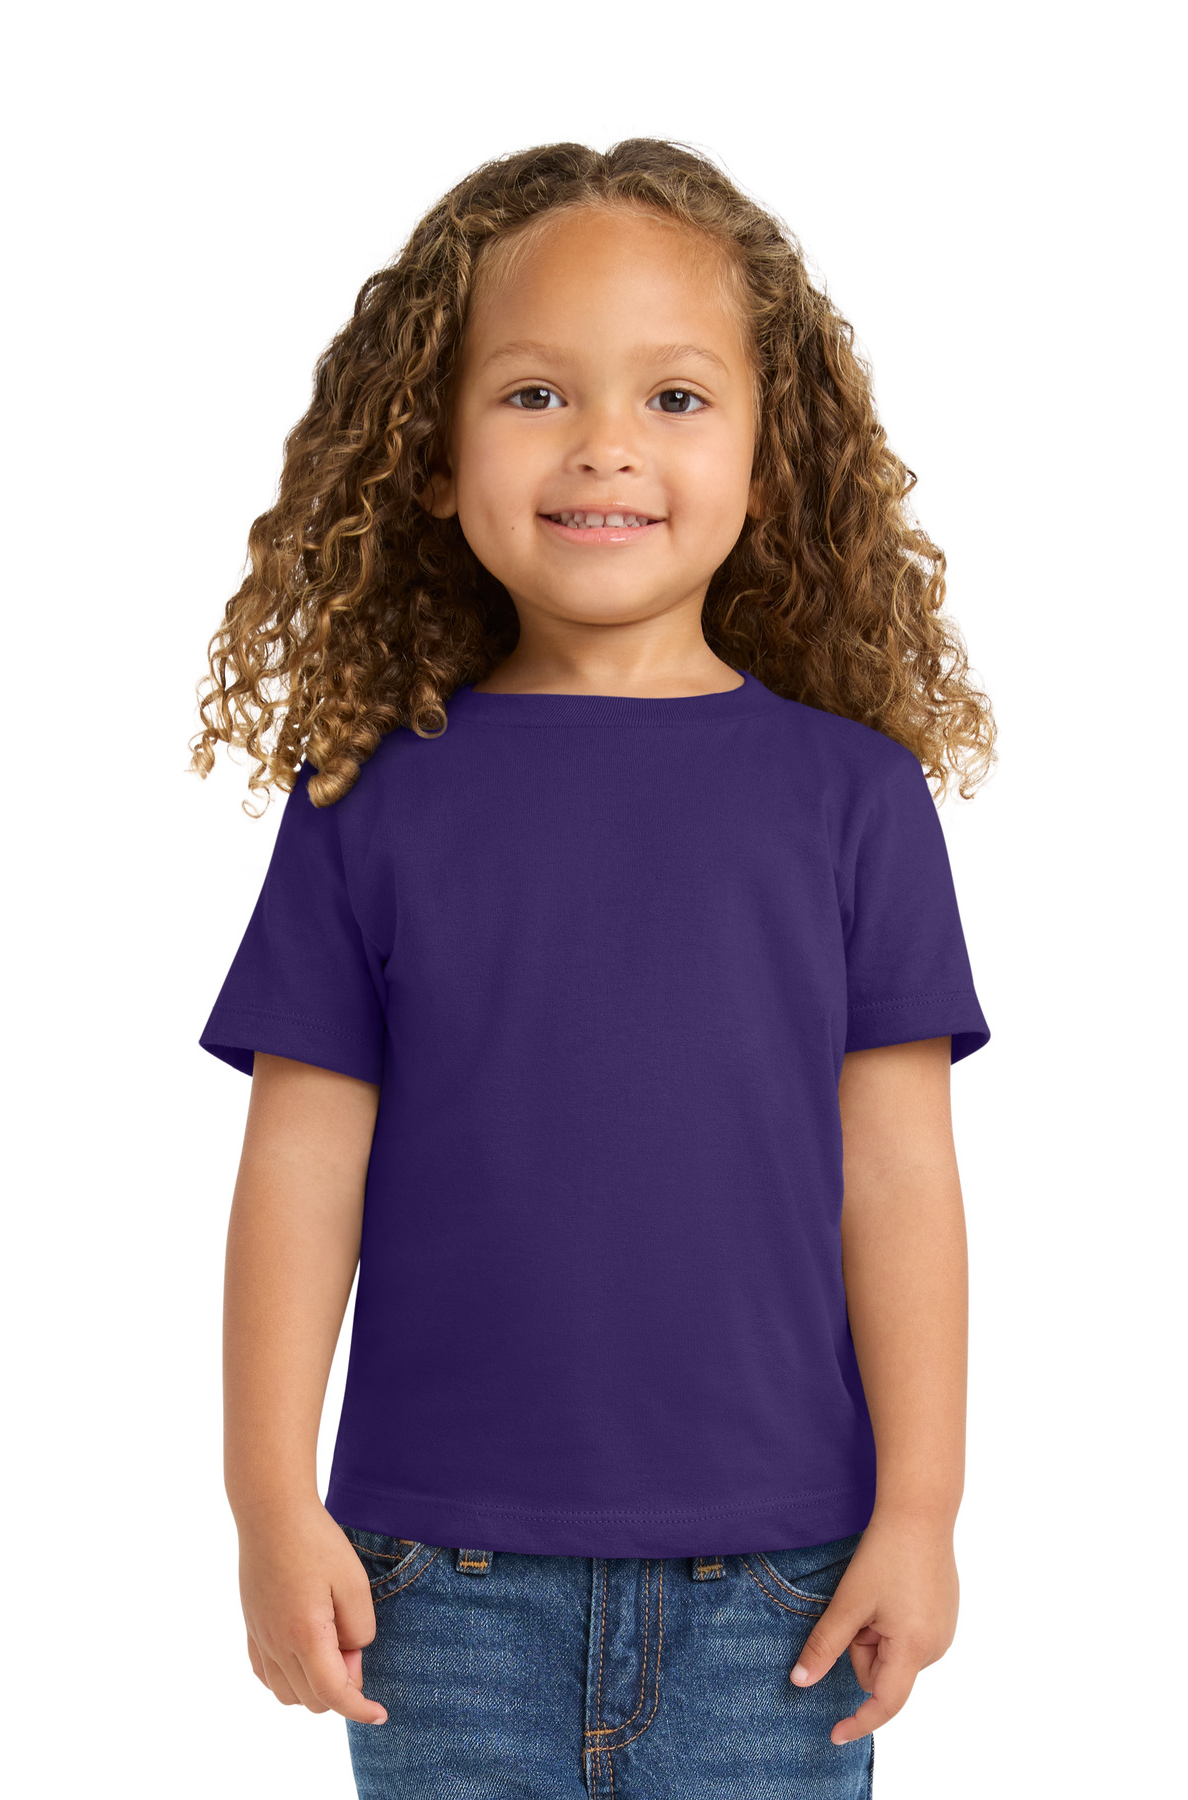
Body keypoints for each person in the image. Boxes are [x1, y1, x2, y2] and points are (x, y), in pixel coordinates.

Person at [192, 137, 994, 1799]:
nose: (606, 444)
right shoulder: (366, 796)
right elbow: (300, 1172)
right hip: (437, 1595)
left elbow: (901, 1178)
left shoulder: (853, 798)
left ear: (771, 458)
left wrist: (922, 1511)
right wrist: (269, 1503)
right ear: (434, 457)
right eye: (536, 393)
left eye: (675, 398)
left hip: (781, 1599)